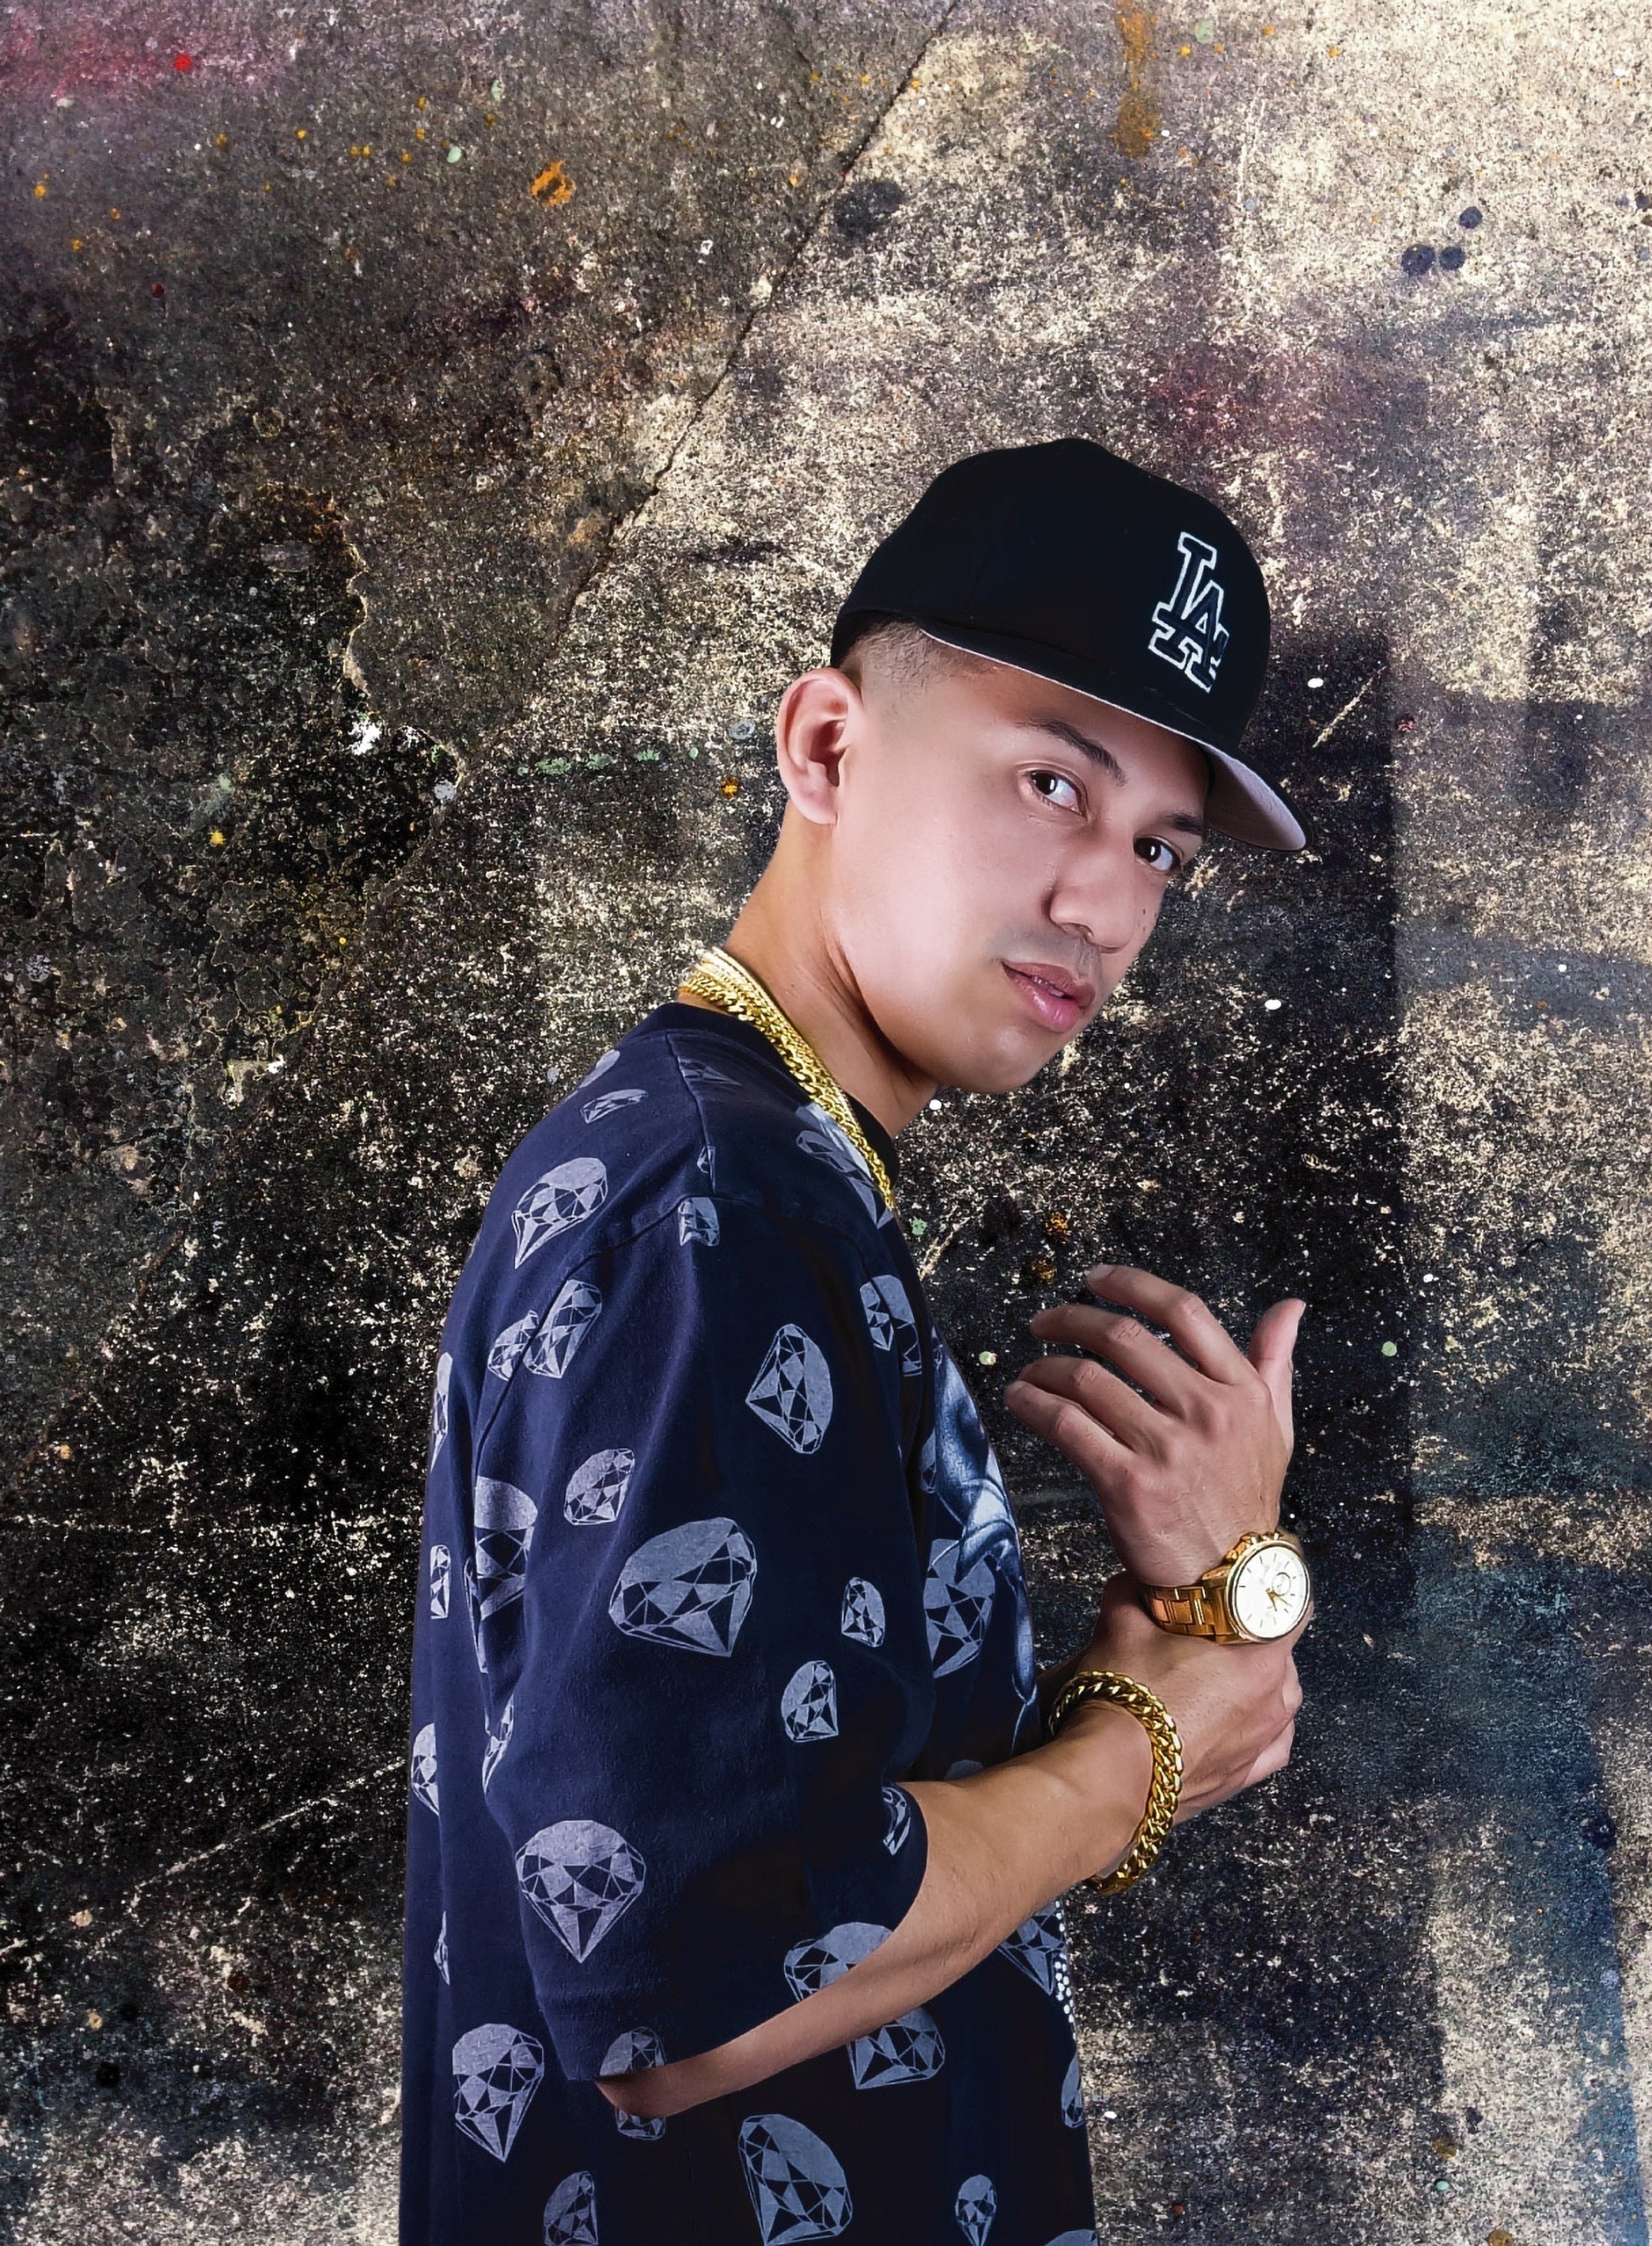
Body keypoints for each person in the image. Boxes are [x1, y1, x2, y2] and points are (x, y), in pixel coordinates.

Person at [398, 437, 1316, 2246]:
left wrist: (1215, 1604)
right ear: (825, 744)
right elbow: (690, 1989)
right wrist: (1139, 1753)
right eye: (1051, 783)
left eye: (1157, 846)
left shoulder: (756, 1165)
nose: (1107, 908)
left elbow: (810, 1817)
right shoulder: (721, 1206)